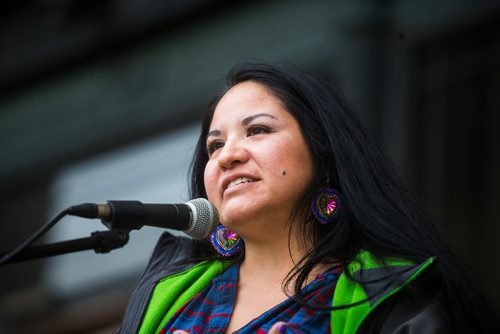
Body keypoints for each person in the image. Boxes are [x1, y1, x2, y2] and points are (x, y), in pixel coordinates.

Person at [117, 63, 498, 333]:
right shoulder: (169, 293)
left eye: (258, 130)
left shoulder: (393, 297)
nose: (227, 155)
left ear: (323, 154)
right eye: (214, 145)